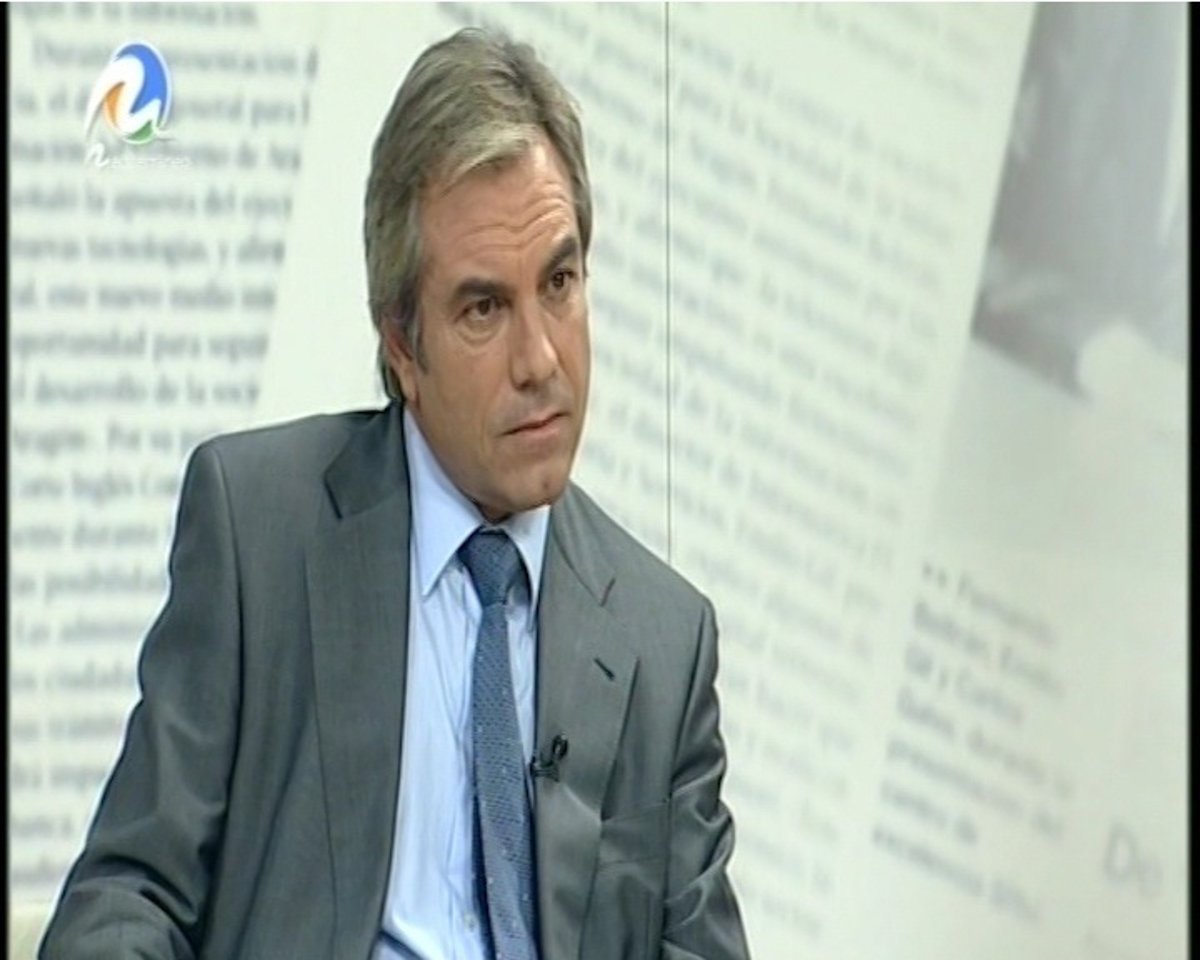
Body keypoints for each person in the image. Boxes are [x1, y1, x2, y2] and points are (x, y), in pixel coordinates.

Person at [39, 26, 750, 960]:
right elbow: (127, 898)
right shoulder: (259, 536)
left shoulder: (666, 639)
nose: (541, 359)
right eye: (484, 308)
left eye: (561, 282)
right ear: (403, 346)